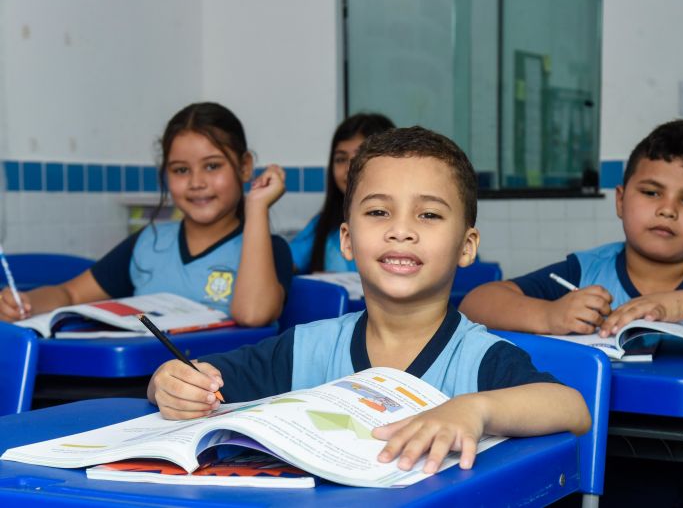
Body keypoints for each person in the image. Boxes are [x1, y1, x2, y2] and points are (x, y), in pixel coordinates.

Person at [147, 126, 590, 474]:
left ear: (466, 246)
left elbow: (572, 408)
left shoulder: (477, 359)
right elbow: (199, 380)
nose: (401, 230)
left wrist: (474, 409)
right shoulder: (306, 348)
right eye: (378, 212)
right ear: (347, 239)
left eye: (429, 214)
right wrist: (170, 382)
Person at [461, 119, 683, 507]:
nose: (668, 210)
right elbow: (477, 303)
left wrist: (682, 303)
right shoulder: (586, 270)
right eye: (652, 192)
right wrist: (549, 313)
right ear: (621, 200)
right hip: (608, 451)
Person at [0, 102, 293, 327]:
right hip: (142, 385)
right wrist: (27, 303)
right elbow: (70, 295)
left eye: (212, 166)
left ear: (244, 166)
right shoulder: (149, 241)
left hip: (216, 395)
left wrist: (257, 205)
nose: (196, 182)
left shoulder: (268, 250)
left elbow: (254, 314)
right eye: (180, 170)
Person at [290, 113, 394, 273]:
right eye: (340, 159)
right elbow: (282, 268)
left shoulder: (406, 227)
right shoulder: (323, 226)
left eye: (361, 156)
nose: (349, 168)